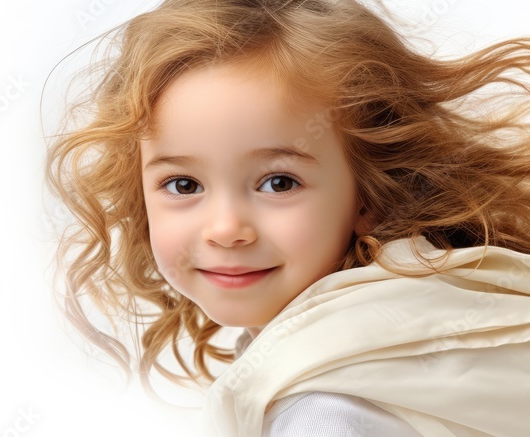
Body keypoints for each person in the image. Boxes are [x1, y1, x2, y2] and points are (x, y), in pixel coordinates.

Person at [42, 0, 530, 435]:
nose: (226, 229)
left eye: (279, 182)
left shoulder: (322, 408)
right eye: (183, 185)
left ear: (369, 195)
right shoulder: (395, 326)